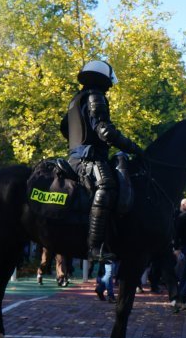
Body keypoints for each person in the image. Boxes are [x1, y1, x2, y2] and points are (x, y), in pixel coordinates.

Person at [61, 60, 143, 261]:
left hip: (74, 157)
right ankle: (94, 247)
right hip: (87, 159)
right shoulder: (95, 96)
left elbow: (64, 128)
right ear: (102, 79)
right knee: (105, 185)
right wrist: (133, 147)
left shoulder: (76, 99)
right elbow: (105, 131)